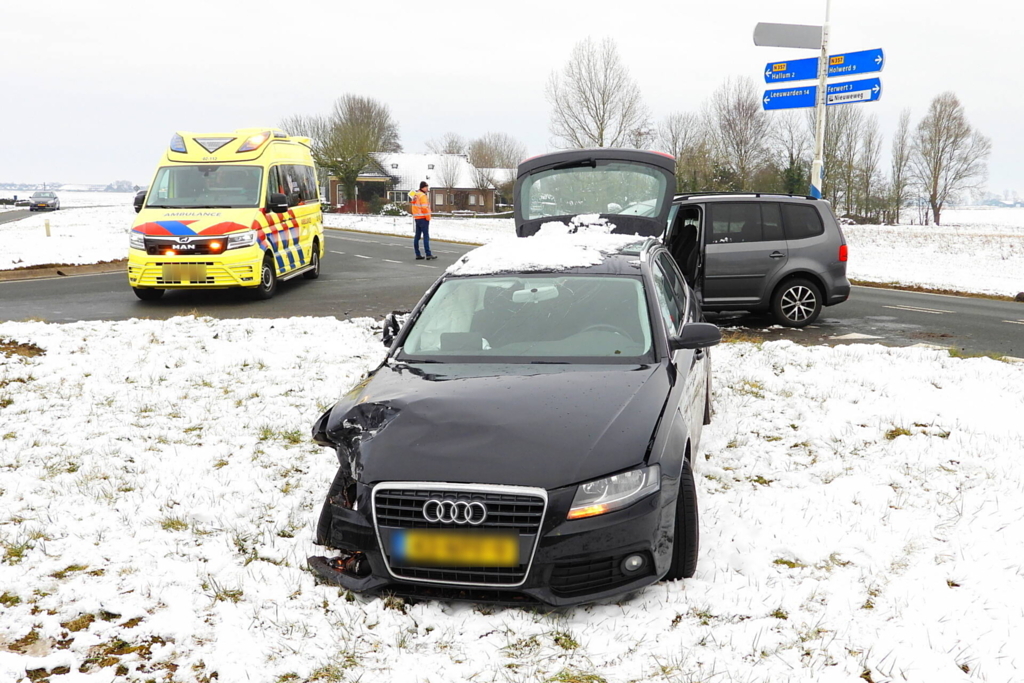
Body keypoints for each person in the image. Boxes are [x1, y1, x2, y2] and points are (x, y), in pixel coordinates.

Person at [410, 181, 436, 260]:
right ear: (423, 187)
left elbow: (414, 206)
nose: (427, 189)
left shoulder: (415, 195)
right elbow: (424, 208)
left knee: (417, 237)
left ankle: (417, 254)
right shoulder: (423, 196)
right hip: (423, 218)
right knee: (426, 236)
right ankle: (428, 254)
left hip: (417, 218)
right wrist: (428, 217)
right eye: (426, 187)